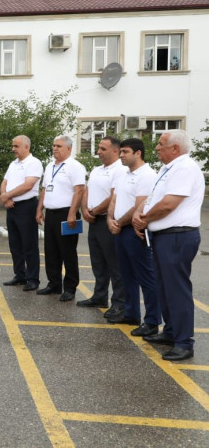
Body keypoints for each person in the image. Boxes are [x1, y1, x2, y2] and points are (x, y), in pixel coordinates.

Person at [133, 130, 204, 361]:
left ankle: (184, 342)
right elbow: (153, 199)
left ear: (175, 148)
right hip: (164, 236)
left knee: (176, 290)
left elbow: (168, 204)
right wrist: (140, 213)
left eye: (161, 144)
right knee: (164, 288)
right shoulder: (168, 169)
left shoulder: (185, 168)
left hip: (177, 237)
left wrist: (144, 219)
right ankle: (171, 332)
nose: (156, 148)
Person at [107, 138, 160, 336]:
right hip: (120, 229)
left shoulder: (146, 175)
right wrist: (110, 219)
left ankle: (152, 321)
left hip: (135, 230)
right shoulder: (124, 174)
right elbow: (114, 199)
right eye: (120, 151)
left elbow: (140, 205)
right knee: (126, 274)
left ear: (138, 153)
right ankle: (131, 313)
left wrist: (119, 223)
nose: (121, 155)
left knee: (145, 276)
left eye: (125, 152)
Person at [77, 137, 128, 319]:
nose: (98, 151)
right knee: (98, 262)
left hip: (108, 220)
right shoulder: (96, 170)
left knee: (114, 264)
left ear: (115, 151)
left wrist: (95, 210)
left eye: (103, 149)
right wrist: (84, 210)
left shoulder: (120, 170)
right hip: (94, 221)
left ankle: (119, 303)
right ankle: (99, 296)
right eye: (98, 148)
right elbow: (87, 191)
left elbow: (114, 196)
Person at [35, 135, 86, 302]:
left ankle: (70, 288)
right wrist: (39, 209)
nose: (55, 148)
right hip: (51, 214)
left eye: (59, 146)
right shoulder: (50, 166)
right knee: (51, 251)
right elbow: (44, 189)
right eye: (54, 145)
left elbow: (79, 191)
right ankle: (54, 284)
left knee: (67, 252)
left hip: (66, 214)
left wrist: (72, 213)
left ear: (69, 149)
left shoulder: (75, 166)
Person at [0, 135, 43, 291]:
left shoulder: (34, 163)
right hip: (12, 207)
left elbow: (28, 185)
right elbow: (4, 182)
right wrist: (5, 197)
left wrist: (7, 196)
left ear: (26, 147)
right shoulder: (13, 164)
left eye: (16, 146)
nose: (13, 149)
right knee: (15, 244)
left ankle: (33, 278)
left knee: (29, 244)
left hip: (27, 207)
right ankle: (20, 275)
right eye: (13, 146)